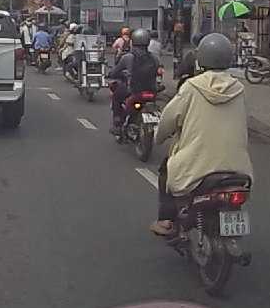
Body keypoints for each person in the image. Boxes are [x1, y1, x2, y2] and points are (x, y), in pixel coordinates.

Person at [151, 34, 253, 238]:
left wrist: (159, 137)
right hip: (238, 167)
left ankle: (166, 220)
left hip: (198, 165)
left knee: (165, 171)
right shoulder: (239, 89)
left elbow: (169, 118)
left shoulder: (192, 87)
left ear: (201, 58)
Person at [106, 28, 160, 135]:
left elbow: (115, 72)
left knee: (116, 96)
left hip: (134, 91)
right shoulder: (154, 58)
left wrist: (110, 74)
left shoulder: (128, 57)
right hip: (152, 91)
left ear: (133, 41)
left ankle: (117, 123)